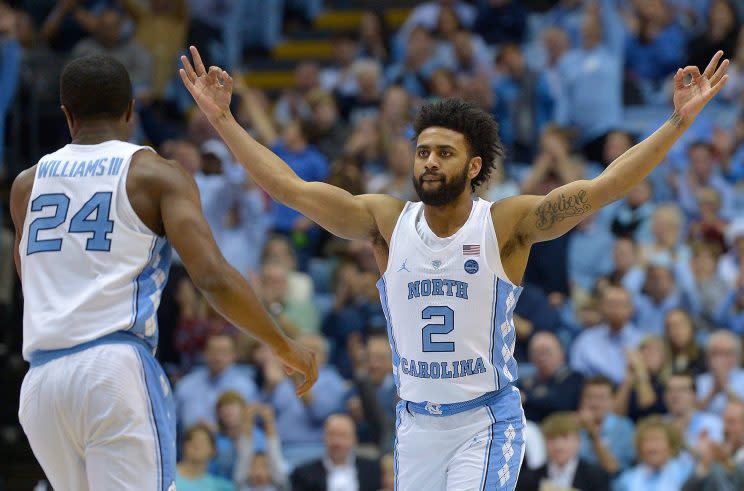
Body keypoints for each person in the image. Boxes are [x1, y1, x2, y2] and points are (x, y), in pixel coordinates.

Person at [180, 46, 729, 491]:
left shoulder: (505, 224)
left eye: (443, 153)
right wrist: (224, 120)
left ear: (472, 166)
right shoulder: (385, 221)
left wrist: (677, 123)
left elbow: (602, 188)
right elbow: (287, 189)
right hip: (415, 422)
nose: (429, 162)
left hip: (484, 420)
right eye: (422, 152)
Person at [11, 55, 317, 491]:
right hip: (112, 367)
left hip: (42, 381)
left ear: (67, 115)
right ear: (131, 111)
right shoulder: (154, 174)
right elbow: (211, 277)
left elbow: (32, 281)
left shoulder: (26, 185)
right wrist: (280, 342)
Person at [516, 412, 610, 491]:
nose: (558, 446)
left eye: (565, 437)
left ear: (578, 441)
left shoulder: (596, 477)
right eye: (552, 438)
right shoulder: (528, 479)